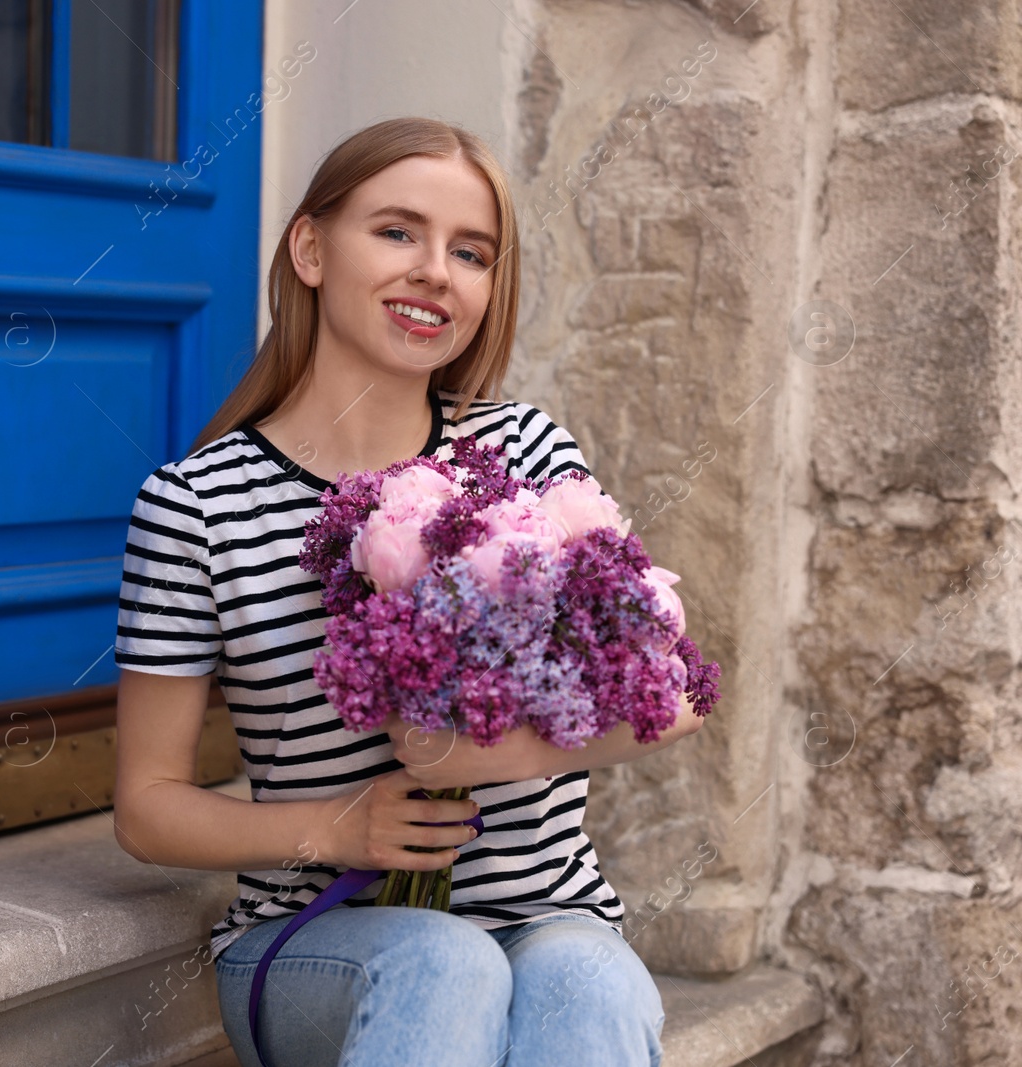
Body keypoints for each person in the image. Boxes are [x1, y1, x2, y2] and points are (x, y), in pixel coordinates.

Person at [111, 116, 700, 1067]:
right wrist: (333, 827)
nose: (436, 270)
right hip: (315, 943)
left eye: (470, 252)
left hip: (549, 918)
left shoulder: (525, 453)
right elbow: (146, 805)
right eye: (397, 232)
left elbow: (668, 698)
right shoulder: (197, 507)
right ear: (309, 248)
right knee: (446, 958)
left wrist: (471, 753)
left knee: (591, 985)